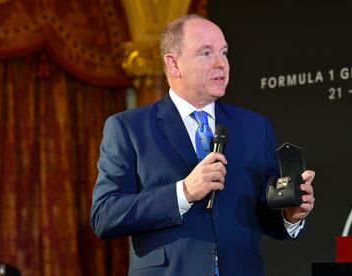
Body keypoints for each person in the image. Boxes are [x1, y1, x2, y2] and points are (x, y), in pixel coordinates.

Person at [90, 14, 315, 276]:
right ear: (173, 64)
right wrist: (183, 192)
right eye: (206, 53)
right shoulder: (129, 128)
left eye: (224, 52)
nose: (221, 64)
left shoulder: (255, 127)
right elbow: (105, 216)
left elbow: (264, 215)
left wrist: (290, 213)